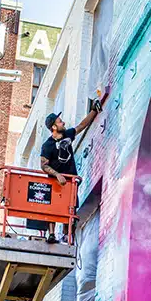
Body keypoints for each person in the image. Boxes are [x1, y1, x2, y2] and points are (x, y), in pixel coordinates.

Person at [40, 100, 102, 243]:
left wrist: (94, 110)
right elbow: (43, 165)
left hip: (70, 182)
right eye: (60, 121)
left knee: (71, 208)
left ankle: (67, 236)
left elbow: (81, 126)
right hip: (56, 183)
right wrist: (57, 175)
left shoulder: (67, 135)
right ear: (54, 127)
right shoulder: (47, 145)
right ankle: (51, 235)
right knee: (54, 207)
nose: (63, 123)